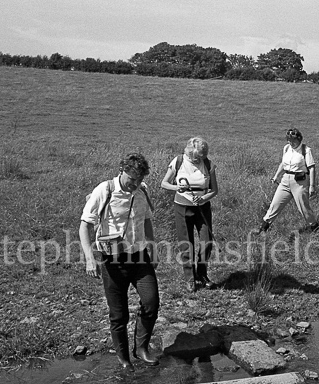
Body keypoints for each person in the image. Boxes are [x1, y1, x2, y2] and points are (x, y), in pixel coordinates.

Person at [80, 153, 160, 371]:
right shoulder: (104, 190)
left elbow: (147, 221)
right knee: (119, 313)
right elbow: (85, 226)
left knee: (151, 302)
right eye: (132, 179)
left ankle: (141, 349)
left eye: (139, 180)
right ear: (121, 171)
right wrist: (90, 259)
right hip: (113, 260)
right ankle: (124, 358)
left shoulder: (142, 191)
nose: (135, 184)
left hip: (140, 256)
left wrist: (153, 249)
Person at [160, 137, 219, 293]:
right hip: (182, 206)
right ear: (189, 153)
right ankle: (190, 277)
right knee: (186, 242)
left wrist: (204, 198)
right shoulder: (178, 161)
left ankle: (202, 274)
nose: (199, 160)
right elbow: (164, 183)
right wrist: (176, 187)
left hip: (202, 208)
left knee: (206, 241)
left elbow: (214, 190)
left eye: (201, 157)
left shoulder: (208, 164)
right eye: (196, 157)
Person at [257, 128, 318, 233]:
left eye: (294, 141)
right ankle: (263, 228)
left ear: (299, 139)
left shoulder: (306, 150)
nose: (291, 143)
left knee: (303, 207)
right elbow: (283, 164)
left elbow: (312, 168)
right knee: (275, 204)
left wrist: (312, 186)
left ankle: (314, 227)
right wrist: (276, 176)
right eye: (289, 140)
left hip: (300, 182)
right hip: (285, 181)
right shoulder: (286, 148)